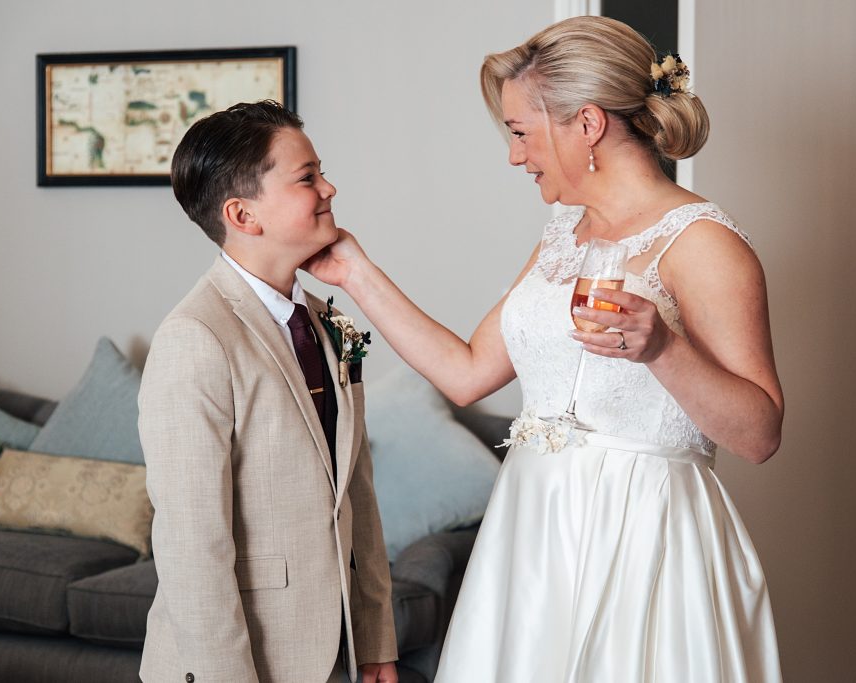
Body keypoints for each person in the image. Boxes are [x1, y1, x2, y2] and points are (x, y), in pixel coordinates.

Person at [307, 15, 784, 682]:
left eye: (521, 132)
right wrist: (356, 271)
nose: (514, 155)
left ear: (586, 125)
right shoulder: (563, 234)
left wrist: (663, 348)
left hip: (643, 534)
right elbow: (468, 371)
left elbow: (760, 433)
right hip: (533, 529)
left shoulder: (705, 243)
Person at [138, 100, 398, 683]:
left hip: (337, 650)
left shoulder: (326, 322)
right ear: (243, 214)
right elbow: (192, 547)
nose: (329, 187)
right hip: (242, 660)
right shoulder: (195, 338)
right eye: (307, 177)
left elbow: (356, 495)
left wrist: (375, 638)